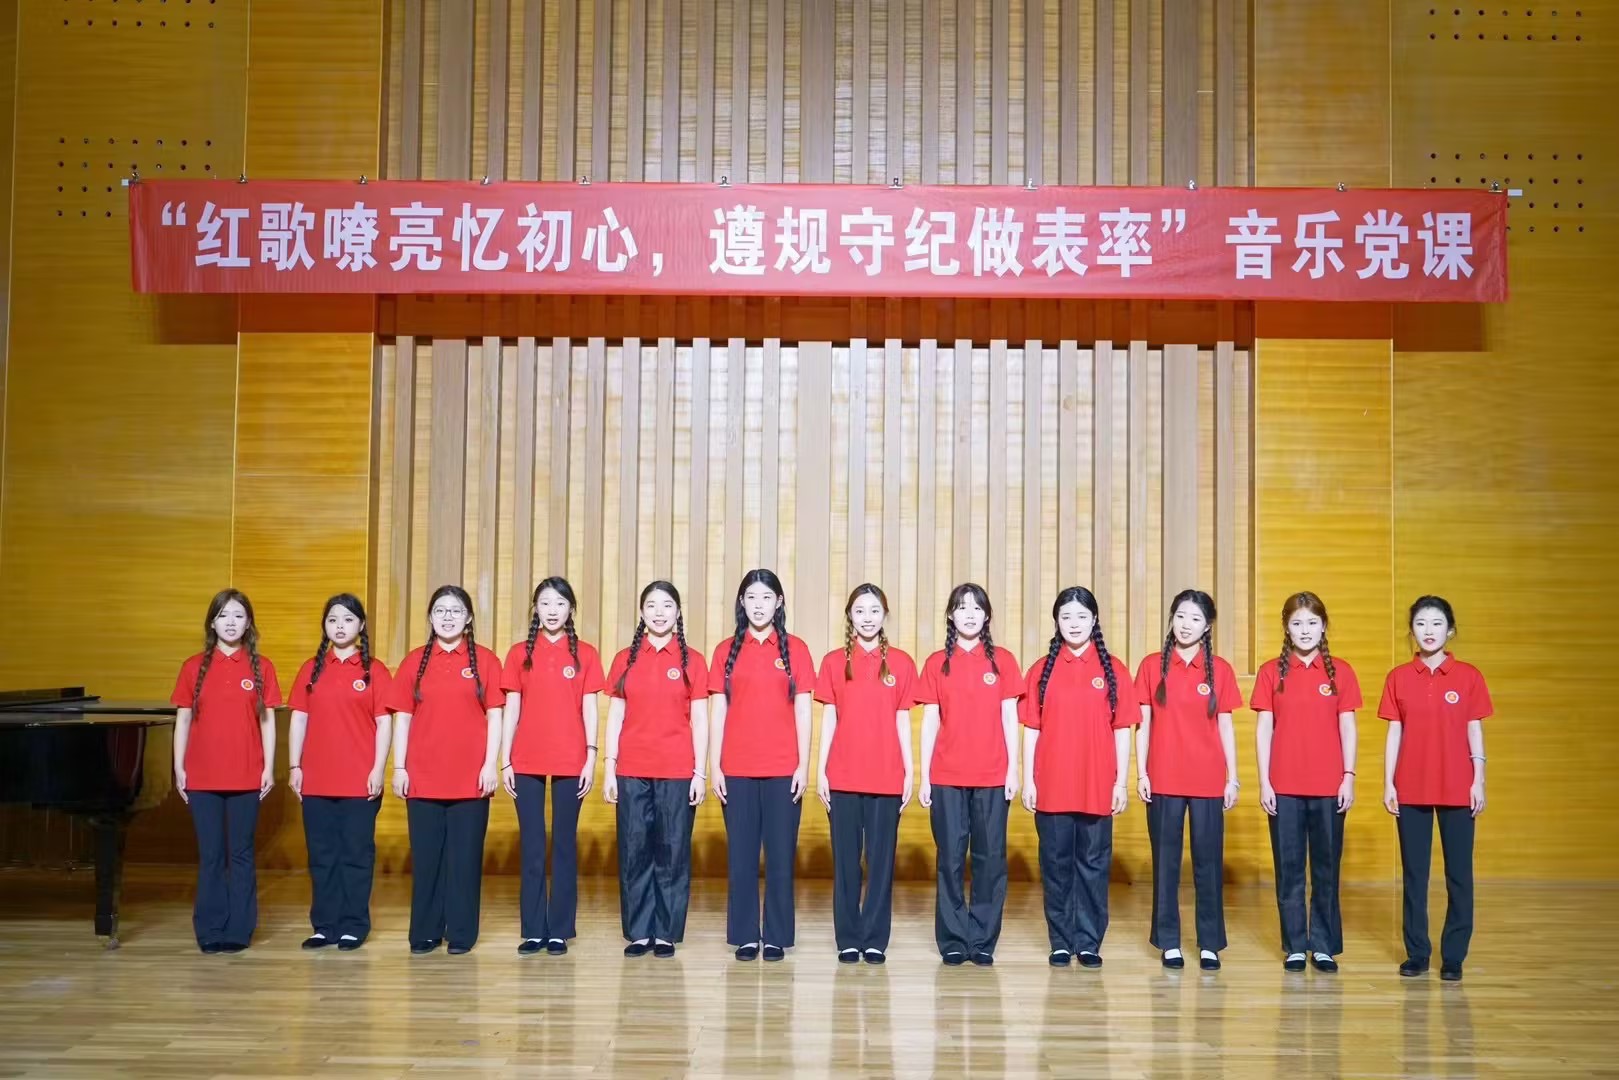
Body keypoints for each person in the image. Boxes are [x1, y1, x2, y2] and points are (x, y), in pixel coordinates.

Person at [1020, 586, 1136, 968]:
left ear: (1094, 620)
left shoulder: (1113, 669)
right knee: (1055, 867)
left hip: (1097, 785)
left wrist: (1120, 782)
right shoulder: (1042, 669)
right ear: (1056, 621)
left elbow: (1123, 728)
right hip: (1052, 785)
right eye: (1066, 616)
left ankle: (1088, 941)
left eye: (1082, 616)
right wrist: (1029, 780)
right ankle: (1060, 940)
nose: (1074, 624)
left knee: (1094, 866)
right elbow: (1031, 728)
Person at [387, 585, 505, 955]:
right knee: (426, 860)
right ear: (430, 617)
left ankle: (462, 933)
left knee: (464, 860)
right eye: (440, 610)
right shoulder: (414, 662)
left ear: (468, 618)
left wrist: (490, 764)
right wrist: (399, 767)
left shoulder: (486, 661)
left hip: (470, 779)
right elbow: (403, 718)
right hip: (423, 777)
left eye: (455, 610)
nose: (447, 617)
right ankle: (425, 931)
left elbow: (496, 717)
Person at [1379, 595, 1491, 983]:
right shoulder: (1398, 677)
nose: (1428, 631)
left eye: (1437, 623)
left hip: (1458, 786)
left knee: (1459, 875)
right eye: (1421, 623)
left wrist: (1478, 779)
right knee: (1414, 875)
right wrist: (1388, 782)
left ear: (1450, 630)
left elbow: (1474, 730)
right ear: (1411, 631)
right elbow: (1394, 732)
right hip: (1410, 787)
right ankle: (1417, 953)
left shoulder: (1469, 676)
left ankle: (1454, 956)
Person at [708, 569, 815, 962]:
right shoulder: (725, 650)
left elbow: (804, 710)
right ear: (742, 602)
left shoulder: (796, 649)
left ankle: (776, 937)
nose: (758, 605)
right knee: (741, 858)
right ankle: (745, 936)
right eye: (751, 597)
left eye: (766, 597)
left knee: (781, 857)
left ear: (779, 602)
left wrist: (804, 765)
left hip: (783, 769)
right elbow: (718, 710)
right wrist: (715, 765)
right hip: (736, 769)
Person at [1253, 591, 1361, 973]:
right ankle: (1296, 945)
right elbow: (1263, 729)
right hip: (1283, 787)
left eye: (1312, 623)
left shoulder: (1340, 672)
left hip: (1329, 787)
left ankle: (1324, 946)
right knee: (1289, 869)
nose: (1305, 630)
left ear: (1324, 626)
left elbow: (1348, 727)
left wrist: (1348, 777)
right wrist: (1264, 781)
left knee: (1327, 870)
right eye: (1297, 623)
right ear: (1286, 627)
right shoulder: (1271, 672)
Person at [169, 588, 281, 954]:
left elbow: (267, 721)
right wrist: (179, 766)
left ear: (248, 623)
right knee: (212, 855)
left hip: (246, 775)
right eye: (223, 615)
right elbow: (183, 719)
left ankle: (239, 929)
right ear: (212, 623)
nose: (230, 622)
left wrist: (268, 767)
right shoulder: (192, 667)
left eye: (238, 615)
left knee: (241, 854)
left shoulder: (262, 667)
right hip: (202, 777)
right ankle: (210, 928)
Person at [1135, 588, 1242, 971]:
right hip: (1163, 778)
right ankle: (1169, 942)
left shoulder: (1220, 670)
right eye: (1180, 616)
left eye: (1195, 619)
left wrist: (1233, 777)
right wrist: (1141, 772)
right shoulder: (1152, 666)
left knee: (1208, 863)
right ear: (1172, 619)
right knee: (1165, 864)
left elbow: (1226, 727)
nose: (1186, 625)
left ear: (1207, 626)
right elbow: (1143, 724)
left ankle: (1210, 943)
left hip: (1208, 780)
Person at [917, 583, 1023, 966]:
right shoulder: (937, 663)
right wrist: (925, 775)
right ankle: (953, 939)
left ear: (987, 615)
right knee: (949, 858)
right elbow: (930, 721)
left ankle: (982, 939)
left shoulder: (1003, 661)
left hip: (992, 776)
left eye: (977, 608)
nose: (969, 614)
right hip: (946, 776)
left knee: (990, 859)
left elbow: (1010, 717)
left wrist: (1014, 769)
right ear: (951, 615)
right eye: (962, 608)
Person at [603, 580, 709, 958]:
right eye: (651, 605)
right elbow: (615, 715)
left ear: (678, 612)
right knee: (634, 850)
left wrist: (700, 772)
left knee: (672, 851)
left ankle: (665, 932)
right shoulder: (625, 659)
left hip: (677, 770)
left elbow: (700, 718)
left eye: (667, 605)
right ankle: (638, 932)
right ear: (641, 612)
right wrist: (609, 767)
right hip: (631, 768)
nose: (659, 612)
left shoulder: (692, 660)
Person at [500, 577, 605, 956]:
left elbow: (590, 709)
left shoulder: (586, 654)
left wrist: (591, 756)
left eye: (560, 603)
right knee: (531, 845)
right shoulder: (519, 654)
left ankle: (559, 929)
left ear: (571, 609)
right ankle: (533, 929)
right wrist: (505, 759)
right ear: (536, 608)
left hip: (571, 758)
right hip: (526, 758)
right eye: (545, 603)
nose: (552, 610)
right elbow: (511, 708)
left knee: (563, 844)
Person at [814, 583, 917, 965]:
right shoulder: (833, 662)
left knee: (880, 862)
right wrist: (821, 770)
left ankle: (874, 938)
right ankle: (848, 938)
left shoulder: (901, 663)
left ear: (884, 615)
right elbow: (829, 719)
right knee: (846, 863)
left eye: (874, 611)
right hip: (842, 775)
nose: (867, 618)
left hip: (886, 776)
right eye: (860, 611)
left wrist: (909, 771)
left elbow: (903, 721)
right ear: (850, 616)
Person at [288, 593, 392, 951]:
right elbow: (299, 719)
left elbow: (384, 722)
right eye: (333, 620)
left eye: (348, 619)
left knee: (356, 855)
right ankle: (324, 925)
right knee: (321, 856)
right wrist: (295, 765)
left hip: (359, 780)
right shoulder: (311, 669)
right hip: (317, 779)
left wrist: (378, 768)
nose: (340, 626)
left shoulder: (374, 670)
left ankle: (354, 925)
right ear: (325, 626)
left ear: (361, 625)